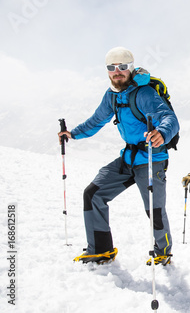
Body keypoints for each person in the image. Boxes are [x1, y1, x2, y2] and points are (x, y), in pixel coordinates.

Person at [58, 47, 180, 265]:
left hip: (152, 159)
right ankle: (101, 249)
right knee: (93, 194)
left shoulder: (144, 93)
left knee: (155, 209)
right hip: (129, 158)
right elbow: (96, 121)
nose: (117, 72)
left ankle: (163, 252)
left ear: (130, 68)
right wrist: (73, 134)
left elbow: (168, 118)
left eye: (123, 67)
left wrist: (161, 133)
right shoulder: (112, 96)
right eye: (112, 68)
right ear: (107, 71)